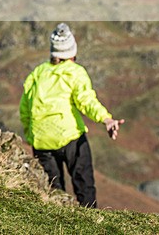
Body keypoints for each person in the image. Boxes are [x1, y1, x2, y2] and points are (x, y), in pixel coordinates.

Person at [19, 23, 125, 207]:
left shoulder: (37, 73)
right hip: (70, 138)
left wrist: (31, 136)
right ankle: (92, 225)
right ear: (72, 53)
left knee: (54, 194)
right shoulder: (75, 72)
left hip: (41, 141)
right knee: (84, 187)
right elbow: (86, 101)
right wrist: (106, 119)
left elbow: (24, 109)